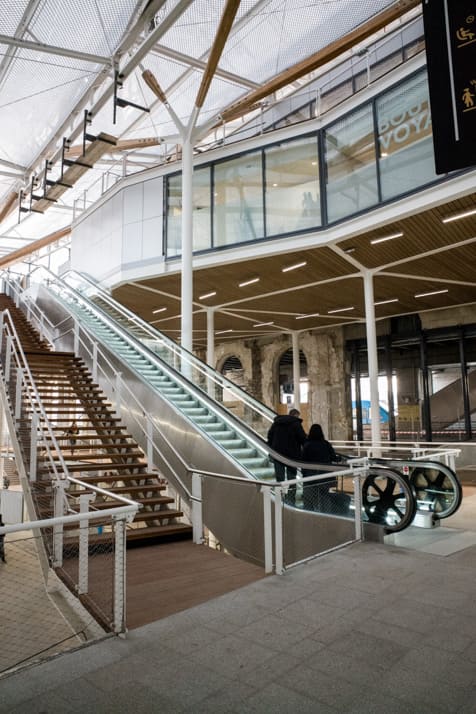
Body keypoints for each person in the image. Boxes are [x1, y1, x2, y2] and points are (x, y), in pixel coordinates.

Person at [302, 423, 347, 514]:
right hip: (325, 477)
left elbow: (302, 461)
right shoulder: (326, 444)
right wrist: (341, 459)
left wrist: (304, 474)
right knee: (324, 498)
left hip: (310, 478)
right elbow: (333, 457)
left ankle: (308, 516)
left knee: (309, 500)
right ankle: (325, 516)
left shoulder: (307, 445)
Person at [267, 408, 307, 506]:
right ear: (296, 415)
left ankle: (279, 498)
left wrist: (272, 449)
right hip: (291, 456)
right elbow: (302, 438)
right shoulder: (296, 424)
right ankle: (290, 499)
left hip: (277, 454)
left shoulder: (277, 423)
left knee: (279, 478)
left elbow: (270, 435)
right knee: (292, 478)